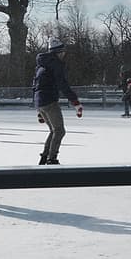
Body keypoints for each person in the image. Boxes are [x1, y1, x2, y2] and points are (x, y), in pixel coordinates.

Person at [32, 37, 82, 165]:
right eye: (63, 52)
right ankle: (51, 159)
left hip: (40, 101)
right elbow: (62, 84)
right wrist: (75, 101)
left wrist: (38, 109)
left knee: (53, 130)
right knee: (59, 131)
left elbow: (35, 85)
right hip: (49, 101)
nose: (64, 54)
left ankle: (45, 157)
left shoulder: (41, 65)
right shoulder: (55, 63)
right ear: (58, 52)